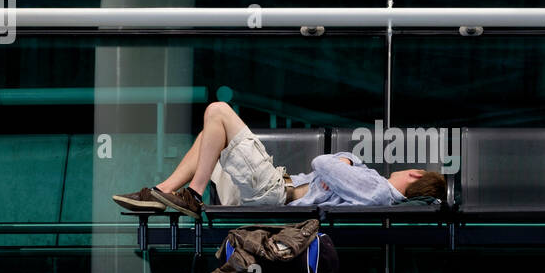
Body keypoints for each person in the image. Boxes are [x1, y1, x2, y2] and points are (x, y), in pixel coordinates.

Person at [113, 101, 445, 216]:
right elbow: (334, 166)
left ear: (415, 175)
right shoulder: (374, 189)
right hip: (270, 190)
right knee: (208, 138)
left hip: (273, 191)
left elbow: (322, 164)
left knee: (218, 111)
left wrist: (345, 163)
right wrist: (346, 162)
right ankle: (163, 193)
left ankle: (193, 196)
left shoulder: (377, 189)